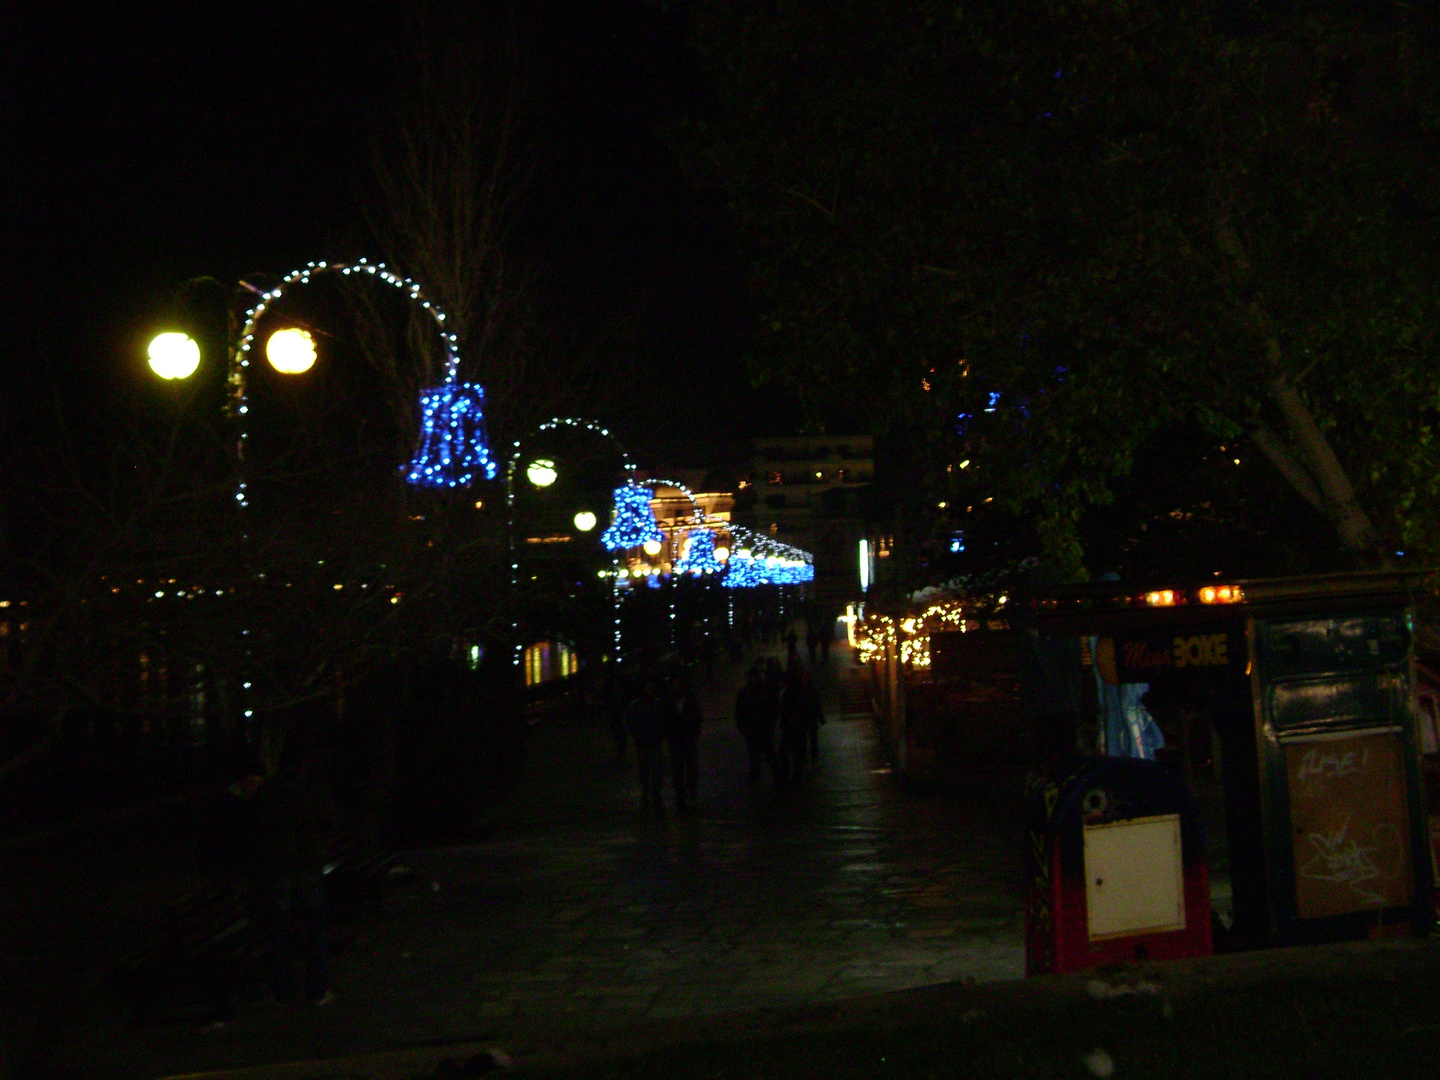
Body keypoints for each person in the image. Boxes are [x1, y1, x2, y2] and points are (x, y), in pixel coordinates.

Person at [248, 730, 338, 1006]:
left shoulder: (267, 793)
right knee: (314, 929)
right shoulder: (312, 791)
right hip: (307, 865)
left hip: (278, 866)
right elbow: (329, 823)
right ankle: (317, 989)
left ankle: (283, 989)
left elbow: (254, 829)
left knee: (279, 931)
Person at [624, 678, 666, 810]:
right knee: (647, 769)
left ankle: (652, 793)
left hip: (650, 741)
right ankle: (650, 793)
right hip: (646, 742)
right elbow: (629, 723)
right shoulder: (645, 705)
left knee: (653, 769)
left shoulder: (653, 704)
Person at [734, 665, 779, 788]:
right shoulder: (750, 692)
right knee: (757, 754)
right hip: (754, 728)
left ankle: (767, 775)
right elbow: (740, 711)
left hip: (761, 728)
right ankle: (763, 775)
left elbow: (772, 709)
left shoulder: (759, 691)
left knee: (765, 752)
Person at [665, 674, 703, 812]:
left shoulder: (690, 701)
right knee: (678, 771)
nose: (677, 687)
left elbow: (697, 718)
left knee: (691, 769)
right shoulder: (669, 702)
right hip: (676, 741)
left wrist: (693, 732)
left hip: (688, 740)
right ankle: (680, 796)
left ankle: (692, 793)